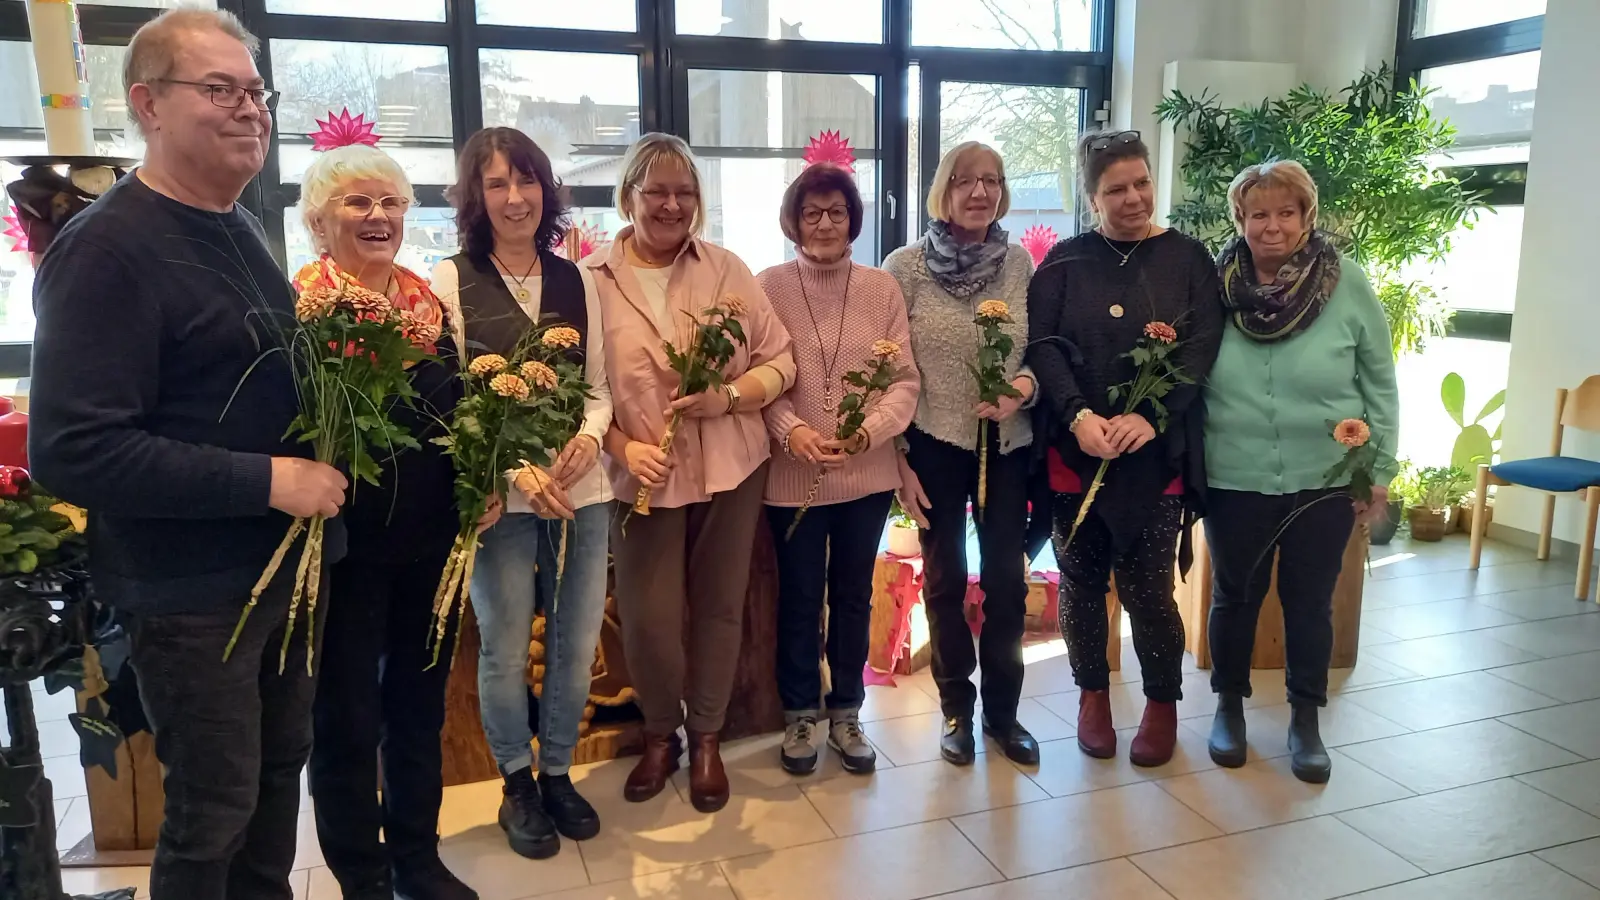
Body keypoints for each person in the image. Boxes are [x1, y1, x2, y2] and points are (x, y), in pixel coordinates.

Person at [28, 10, 348, 900]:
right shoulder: (108, 250)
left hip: (275, 574)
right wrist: (269, 479)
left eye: (255, 91)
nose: (250, 109)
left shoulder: (236, 224)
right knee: (213, 811)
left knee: (277, 777)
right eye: (220, 89)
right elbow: (72, 448)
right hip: (191, 596)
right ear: (148, 105)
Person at [296, 144, 490, 900]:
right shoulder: (304, 309)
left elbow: (451, 413)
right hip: (344, 547)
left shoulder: (426, 305)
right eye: (357, 203)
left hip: (430, 540)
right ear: (319, 220)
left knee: (418, 706)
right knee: (344, 718)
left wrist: (478, 478)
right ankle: (362, 875)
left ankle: (417, 855)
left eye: (391, 204)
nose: (379, 217)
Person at [588, 132, 795, 813]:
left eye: (685, 193)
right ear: (629, 197)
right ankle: (660, 735)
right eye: (657, 191)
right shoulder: (591, 280)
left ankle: (705, 736)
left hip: (731, 464)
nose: (672, 205)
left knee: (718, 606)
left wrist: (729, 397)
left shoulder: (729, 270)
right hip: (639, 475)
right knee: (647, 618)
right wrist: (619, 445)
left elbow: (780, 362)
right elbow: (578, 390)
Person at [431, 127, 614, 857]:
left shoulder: (580, 280)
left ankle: (560, 770)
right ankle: (516, 781)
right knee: (505, 647)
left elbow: (598, 389)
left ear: (547, 190)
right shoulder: (449, 282)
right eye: (498, 183)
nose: (516, 198)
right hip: (500, 498)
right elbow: (450, 401)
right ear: (475, 196)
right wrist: (515, 471)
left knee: (575, 644)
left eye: (528, 181)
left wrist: (591, 438)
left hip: (582, 492)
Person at [1024, 130, 1223, 767]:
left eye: (1142, 183)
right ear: (1091, 198)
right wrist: (1078, 414)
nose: (1134, 198)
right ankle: (1092, 699)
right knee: (1081, 585)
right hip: (1075, 451)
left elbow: (1200, 349)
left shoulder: (1189, 258)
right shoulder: (1063, 260)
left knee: (1149, 590)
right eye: (1117, 189)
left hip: (1154, 454)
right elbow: (1043, 346)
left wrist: (1151, 417)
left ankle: (1162, 704)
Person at [1203, 160, 1398, 783]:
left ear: (1306, 216)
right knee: (1234, 598)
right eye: (1258, 213)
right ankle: (1228, 708)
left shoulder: (1347, 284)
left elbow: (1381, 382)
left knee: (1310, 604)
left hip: (1326, 477)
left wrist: (1381, 471)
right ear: (1241, 219)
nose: (1273, 226)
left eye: (1287, 212)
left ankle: (1305, 719)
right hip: (1233, 473)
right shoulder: (1214, 286)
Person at [759, 163, 920, 776]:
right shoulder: (767, 286)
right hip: (791, 474)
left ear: (854, 218)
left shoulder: (882, 288)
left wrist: (867, 432)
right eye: (812, 213)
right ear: (794, 220)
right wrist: (792, 430)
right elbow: (755, 378)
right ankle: (800, 712)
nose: (825, 223)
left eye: (837, 212)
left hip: (865, 477)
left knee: (852, 596)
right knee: (799, 598)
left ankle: (847, 712)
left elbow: (904, 380)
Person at [884, 141, 1040, 768]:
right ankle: (956, 710)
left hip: (1006, 445)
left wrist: (1022, 389)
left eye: (993, 180)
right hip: (933, 444)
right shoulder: (906, 267)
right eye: (966, 181)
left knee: (1006, 581)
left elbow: (1042, 346)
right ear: (943, 190)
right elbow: (887, 364)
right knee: (944, 579)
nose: (980, 192)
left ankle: (1005, 714)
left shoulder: (1021, 264)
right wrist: (897, 455)